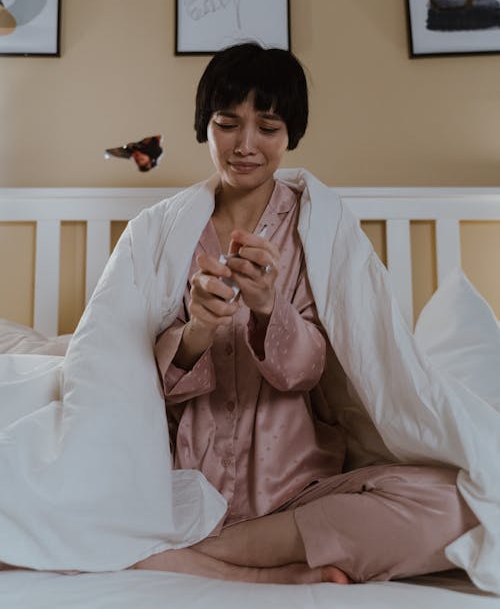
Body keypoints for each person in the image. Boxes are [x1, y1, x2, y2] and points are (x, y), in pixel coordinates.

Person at [133, 42, 477, 584]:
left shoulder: (319, 229)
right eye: (228, 124)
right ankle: (261, 572)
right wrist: (197, 330)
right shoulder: (165, 234)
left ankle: (205, 558)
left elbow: (310, 371)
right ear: (207, 127)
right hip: (189, 485)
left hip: (303, 492)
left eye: (268, 127)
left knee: (460, 501)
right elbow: (142, 381)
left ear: (289, 133)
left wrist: (272, 309)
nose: (246, 145)